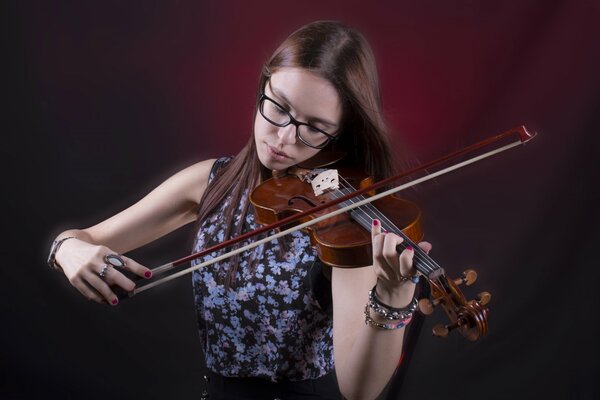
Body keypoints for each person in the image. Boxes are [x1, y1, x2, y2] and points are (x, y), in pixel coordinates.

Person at [47, 21, 432, 400]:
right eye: (278, 107)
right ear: (262, 88)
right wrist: (66, 249)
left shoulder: (344, 222)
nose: (283, 137)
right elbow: (84, 239)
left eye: (314, 128)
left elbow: (359, 389)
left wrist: (393, 294)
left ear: (341, 133)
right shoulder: (211, 182)